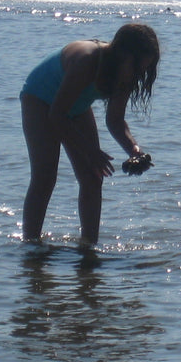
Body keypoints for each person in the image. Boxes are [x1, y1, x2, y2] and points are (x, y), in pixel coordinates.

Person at [20, 23, 160, 246]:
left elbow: (115, 121)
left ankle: (88, 246)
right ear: (122, 54)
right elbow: (56, 115)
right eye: (137, 68)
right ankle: (30, 245)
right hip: (40, 99)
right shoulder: (87, 60)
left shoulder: (127, 74)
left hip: (73, 106)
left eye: (145, 69)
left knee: (93, 177)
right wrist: (90, 151)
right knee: (45, 176)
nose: (139, 75)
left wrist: (135, 151)